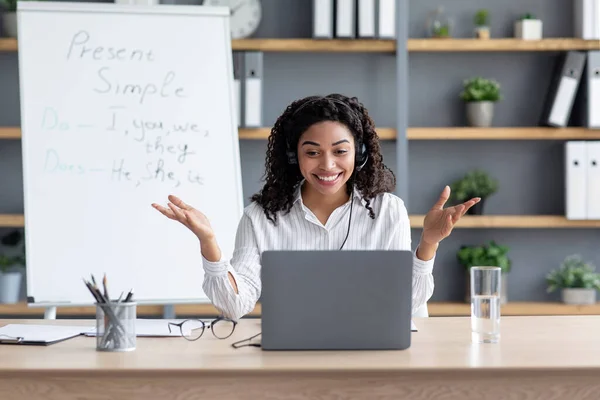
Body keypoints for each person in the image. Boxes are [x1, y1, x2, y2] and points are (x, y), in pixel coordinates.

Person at [152, 94, 480, 321]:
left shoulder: (387, 210)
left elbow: (408, 303)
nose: (327, 165)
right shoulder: (261, 217)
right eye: (312, 152)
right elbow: (236, 306)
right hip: (295, 356)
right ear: (295, 156)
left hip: (378, 354)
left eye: (340, 151)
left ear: (359, 154)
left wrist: (428, 244)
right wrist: (209, 244)